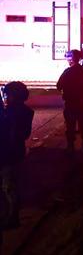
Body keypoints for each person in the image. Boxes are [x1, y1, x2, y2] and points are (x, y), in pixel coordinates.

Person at [0, 82, 34, 230]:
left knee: (9, 186)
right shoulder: (26, 111)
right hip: (17, 152)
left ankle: (13, 218)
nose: (6, 97)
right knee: (11, 184)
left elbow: (10, 134)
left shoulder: (12, 112)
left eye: (7, 94)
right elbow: (25, 135)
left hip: (8, 153)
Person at [56, 50, 83, 154]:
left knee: (70, 126)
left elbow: (59, 86)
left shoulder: (67, 72)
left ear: (70, 60)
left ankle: (71, 146)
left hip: (70, 103)